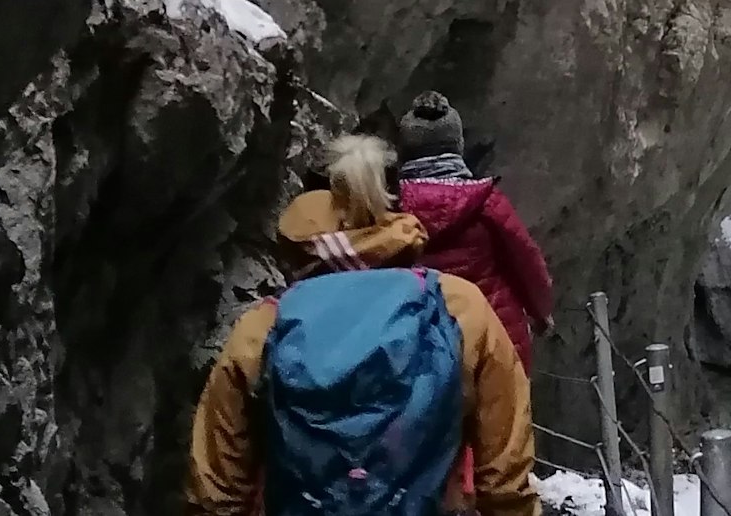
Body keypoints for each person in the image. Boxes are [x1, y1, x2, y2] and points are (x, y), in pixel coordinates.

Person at [184, 135, 539, 516]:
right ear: (396, 209)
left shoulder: (264, 326)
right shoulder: (460, 308)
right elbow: (504, 474)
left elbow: (217, 490)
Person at [396, 92, 556, 369]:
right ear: (458, 146)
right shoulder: (485, 202)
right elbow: (527, 260)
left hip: (420, 341)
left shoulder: (391, 208)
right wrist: (541, 313)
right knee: (505, 409)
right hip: (493, 333)